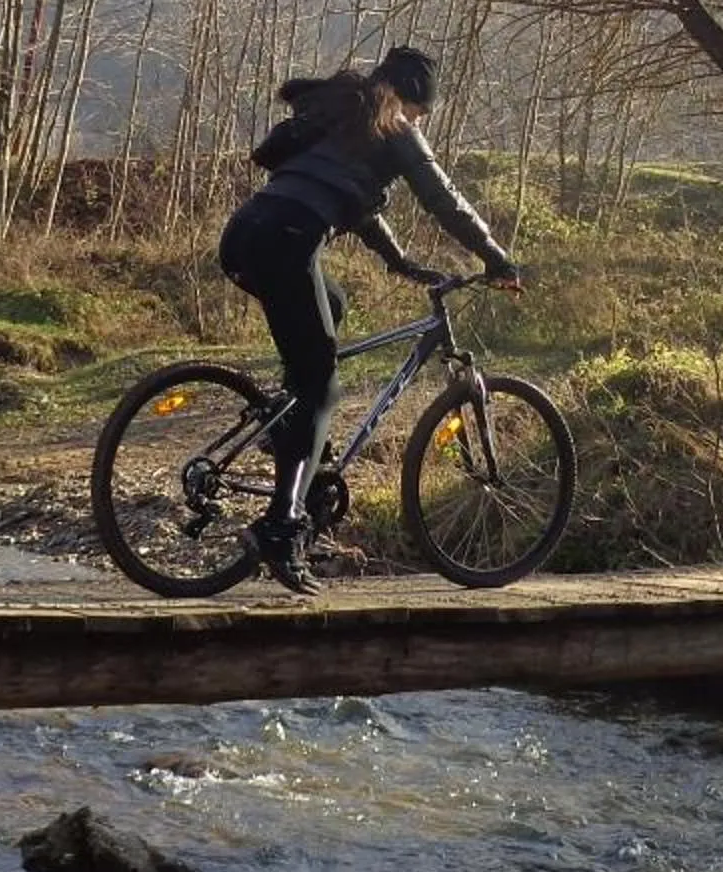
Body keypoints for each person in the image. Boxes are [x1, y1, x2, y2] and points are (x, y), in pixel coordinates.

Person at [217, 44, 519, 594]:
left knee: (329, 309)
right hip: (286, 242)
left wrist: (401, 262)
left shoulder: (345, 118)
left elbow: (354, 206)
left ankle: (289, 429)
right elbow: (444, 199)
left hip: (246, 236)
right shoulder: (394, 124)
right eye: (422, 112)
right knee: (321, 385)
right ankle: (280, 528)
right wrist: (496, 258)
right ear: (411, 99)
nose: (419, 121)